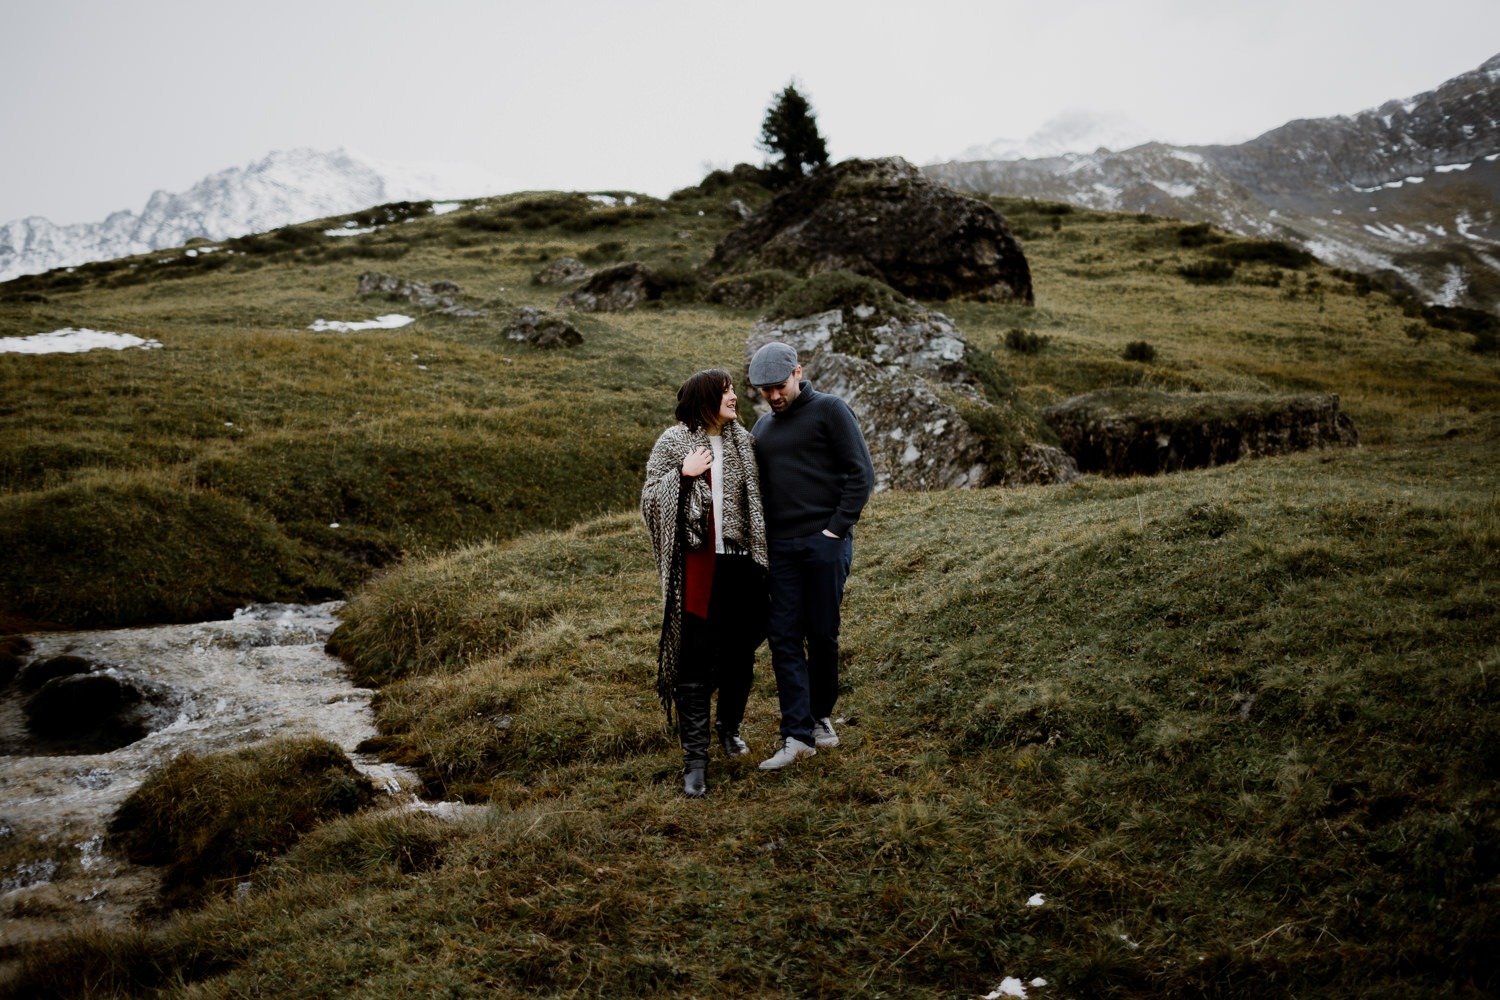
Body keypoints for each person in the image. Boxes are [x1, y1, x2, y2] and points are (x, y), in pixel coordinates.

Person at [747, 342, 875, 771]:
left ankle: (820, 717)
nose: (774, 396)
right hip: (781, 550)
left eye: (779, 386)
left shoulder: (831, 410)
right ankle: (796, 735)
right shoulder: (762, 430)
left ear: (798, 372)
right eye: (765, 390)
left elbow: (861, 473)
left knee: (822, 635)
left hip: (825, 543)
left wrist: (834, 530)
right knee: (783, 636)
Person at [641, 369, 769, 798]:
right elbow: (648, 499)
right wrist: (682, 473)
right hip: (697, 567)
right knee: (694, 661)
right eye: (727, 391)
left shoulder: (744, 443)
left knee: (740, 653)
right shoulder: (673, 442)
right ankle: (695, 762)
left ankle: (729, 728)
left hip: (741, 564)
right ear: (707, 397)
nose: (735, 397)